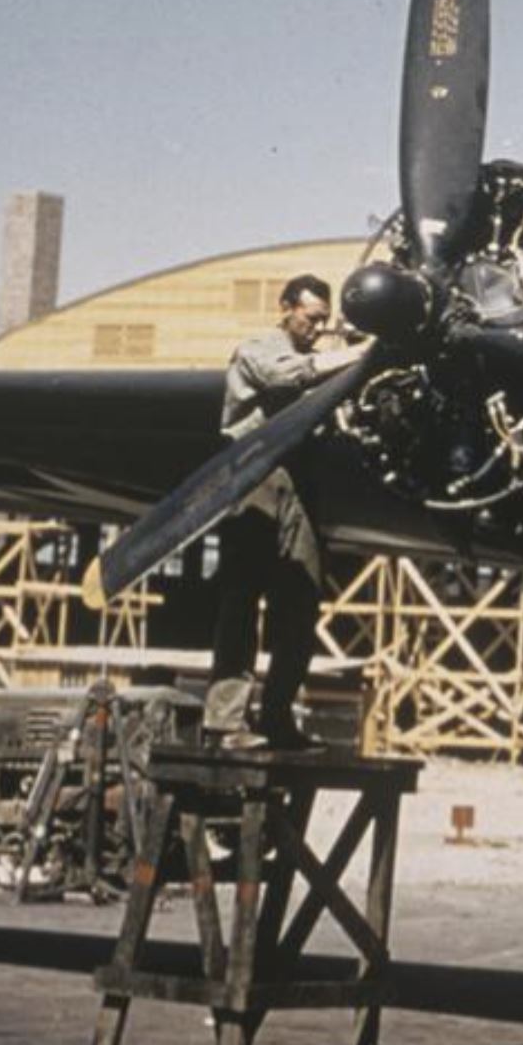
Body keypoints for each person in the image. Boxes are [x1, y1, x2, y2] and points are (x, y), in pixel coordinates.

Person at [210, 274, 364, 747]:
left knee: (300, 602)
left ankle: (276, 716)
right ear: (285, 308)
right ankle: (225, 723)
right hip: (255, 474)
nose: (317, 329)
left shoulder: (320, 358)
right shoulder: (260, 348)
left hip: (300, 482)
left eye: (323, 321)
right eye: (309, 318)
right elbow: (287, 375)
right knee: (242, 598)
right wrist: (362, 353)